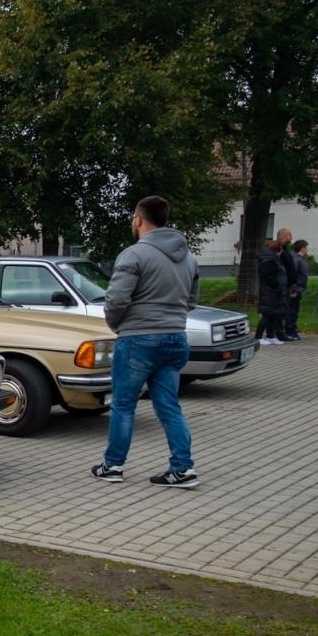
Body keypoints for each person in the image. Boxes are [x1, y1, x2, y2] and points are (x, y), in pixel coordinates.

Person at [91, 195, 199, 488]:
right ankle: (183, 469)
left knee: (124, 404)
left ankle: (113, 466)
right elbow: (191, 301)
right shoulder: (188, 258)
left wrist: (119, 326)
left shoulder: (134, 255)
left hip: (138, 339)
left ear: (138, 220)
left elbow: (116, 299)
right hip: (176, 338)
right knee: (169, 405)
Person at [255, 235, 289, 345]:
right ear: (278, 249)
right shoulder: (269, 260)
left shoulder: (273, 259)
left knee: (273, 315)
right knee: (266, 315)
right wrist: (276, 286)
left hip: (274, 292)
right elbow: (267, 276)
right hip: (270, 292)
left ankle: (270, 336)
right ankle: (258, 337)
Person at [283, 238, 309, 340]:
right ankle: (290, 331)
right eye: (306, 247)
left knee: (294, 311)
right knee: (291, 311)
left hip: (298, 289)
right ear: (302, 248)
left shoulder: (299, 259)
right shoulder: (296, 259)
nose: (307, 250)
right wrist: (294, 290)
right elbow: (292, 275)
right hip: (294, 290)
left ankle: (292, 330)